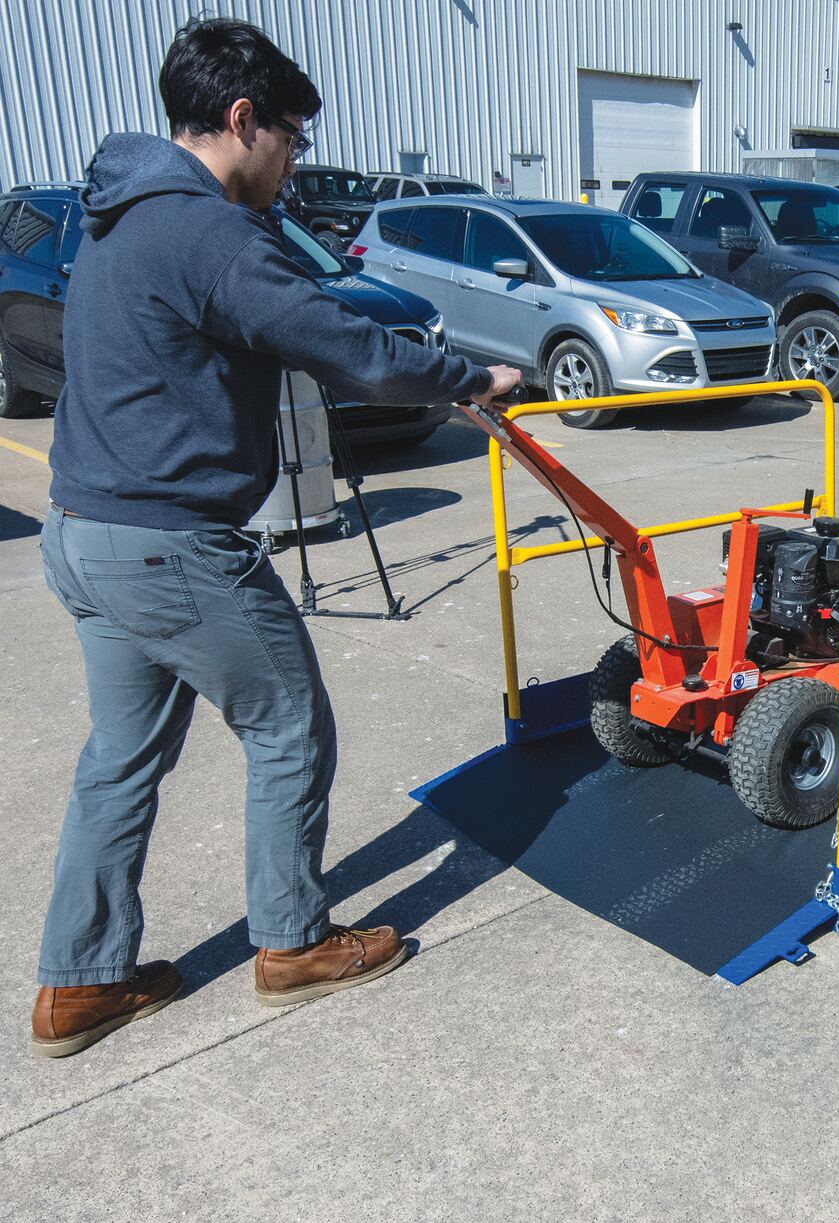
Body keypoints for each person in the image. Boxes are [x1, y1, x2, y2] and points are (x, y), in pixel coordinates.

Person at [30, 17, 520, 1058]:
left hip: (83, 532)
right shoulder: (204, 232)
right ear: (243, 118)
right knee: (290, 723)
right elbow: (347, 346)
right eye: (292, 137)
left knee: (119, 760)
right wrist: (467, 379)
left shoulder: (116, 215)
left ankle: (78, 982)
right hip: (168, 543)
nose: (295, 161)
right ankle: (293, 943)